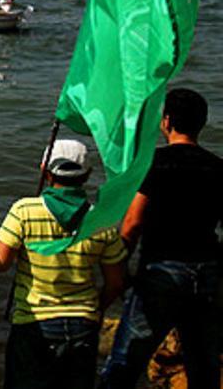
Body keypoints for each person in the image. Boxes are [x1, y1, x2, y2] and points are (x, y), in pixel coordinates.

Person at [100, 89, 222, 388]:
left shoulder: (153, 163)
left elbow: (132, 223)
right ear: (201, 123)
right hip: (207, 271)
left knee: (125, 363)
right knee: (203, 366)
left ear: (166, 121)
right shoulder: (219, 167)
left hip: (161, 271)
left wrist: (118, 270)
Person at [0, 139, 127, 389]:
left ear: (45, 170)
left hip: (33, 323)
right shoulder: (101, 220)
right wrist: (95, 309)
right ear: (87, 174)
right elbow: (116, 283)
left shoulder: (24, 211)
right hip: (83, 324)